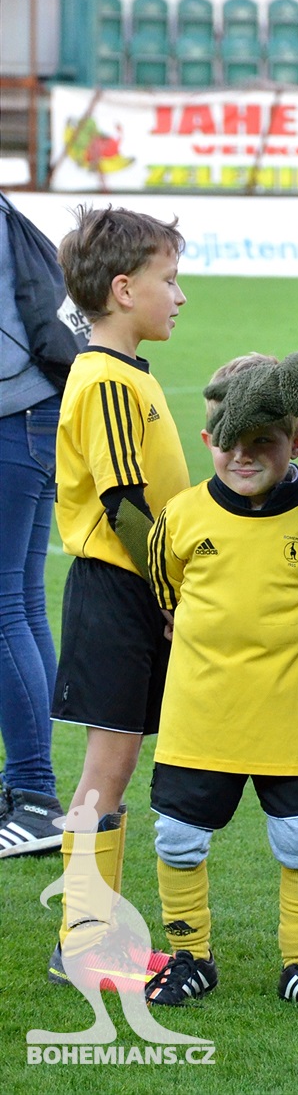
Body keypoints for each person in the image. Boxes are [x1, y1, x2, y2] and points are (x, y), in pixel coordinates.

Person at [144, 353, 298, 1013]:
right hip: (198, 718)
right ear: (207, 440)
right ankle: (190, 957)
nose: (245, 455)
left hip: (290, 720)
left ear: (295, 441)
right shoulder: (179, 520)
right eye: (229, 442)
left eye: (263, 441)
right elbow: (168, 595)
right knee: (178, 839)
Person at [46, 205, 189, 983]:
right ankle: (83, 941)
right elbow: (122, 502)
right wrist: (169, 590)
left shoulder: (127, 372)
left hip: (135, 588)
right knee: (107, 763)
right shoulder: (102, 377)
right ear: (126, 289)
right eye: (171, 280)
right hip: (117, 588)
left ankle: (93, 935)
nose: (180, 295)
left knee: (121, 760)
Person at [0, 197, 71, 855]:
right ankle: (29, 787)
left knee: (5, 608)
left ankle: (33, 795)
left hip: (13, 419)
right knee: (19, 602)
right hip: (36, 416)